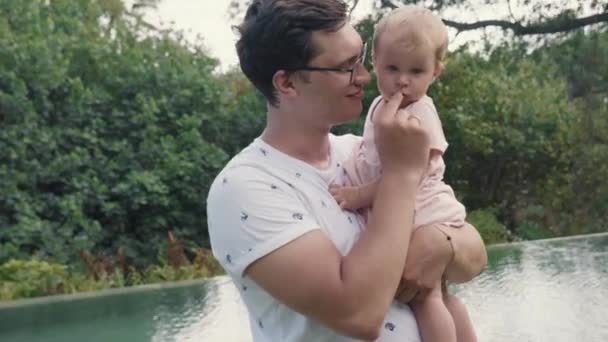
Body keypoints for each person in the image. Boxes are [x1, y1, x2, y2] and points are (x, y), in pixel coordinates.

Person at [206, 1, 487, 341]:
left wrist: (440, 243)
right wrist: (399, 175)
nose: (366, 77)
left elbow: (475, 257)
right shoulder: (244, 188)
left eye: (360, 59)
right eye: (345, 67)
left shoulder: (360, 151)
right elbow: (360, 314)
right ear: (288, 83)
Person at [330, 6, 477, 342]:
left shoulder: (419, 113)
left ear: (436, 72)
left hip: (421, 208)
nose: (402, 80)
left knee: (429, 299)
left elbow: (410, 171)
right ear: (375, 63)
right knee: (443, 295)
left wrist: (358, 195)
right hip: (408, 208)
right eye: (392, 68)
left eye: (416, 71)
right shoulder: (382, 106)